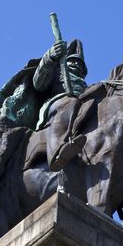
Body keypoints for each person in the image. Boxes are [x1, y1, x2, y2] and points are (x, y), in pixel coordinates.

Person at [33, 39, 88, 171]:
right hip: (57, 104)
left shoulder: (83, 85)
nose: (76, 64)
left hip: (81, 103)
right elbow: (38, 83)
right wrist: (50, 56)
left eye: (79, 63)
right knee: (70, 103)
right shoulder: (55, 71)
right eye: (73, 61)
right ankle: (57, 153)